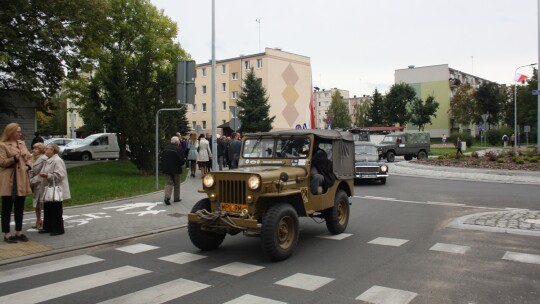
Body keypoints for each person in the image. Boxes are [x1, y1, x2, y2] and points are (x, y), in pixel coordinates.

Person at [0, 123, 32, 243]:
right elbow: (2, 162)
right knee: (7, 207)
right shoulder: (2, 145)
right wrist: (15, 158)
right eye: (17, 131)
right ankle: (7, 233)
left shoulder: (21, 144)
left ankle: (19, 231)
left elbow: (29, 157)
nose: (19, 133)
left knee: (20, 206)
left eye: (20, 131)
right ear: (11, 132)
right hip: (9, 179)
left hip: (21, 178)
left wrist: (28, 166)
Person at [38, 143, 70, 236]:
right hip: (48, 187)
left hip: (55, 188)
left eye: (47, 149)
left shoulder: (57, 161)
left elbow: (60, 175)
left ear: (53, 151)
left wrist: (47, 175)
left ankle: (58, 228)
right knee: (48, 208)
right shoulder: (48, 160)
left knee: (56, 209)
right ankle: (48, 227)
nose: (45, 151)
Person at [162, 136, 185, 205]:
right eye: (178, 141)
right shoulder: (178, 149)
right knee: (177, 184)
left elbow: (162, 158)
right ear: (176, 142)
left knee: (168, 183)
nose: (179, 142)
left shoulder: (165, 148)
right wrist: (181, 164)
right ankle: (176, 198)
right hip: (176, 169)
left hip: (167, 169)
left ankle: (167, 197)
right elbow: (182, 160)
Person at [29, 142, 48, 229]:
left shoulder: (44, 159)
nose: (34, 150)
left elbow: (43, 172)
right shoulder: (32, 158)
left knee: (42, 202)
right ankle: (38, 220)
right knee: (36, 203)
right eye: (33, 148)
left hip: (42, 183)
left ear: (41, 150)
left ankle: (46, 221)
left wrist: (31, 181)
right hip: (35, 183)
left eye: (36, 149)